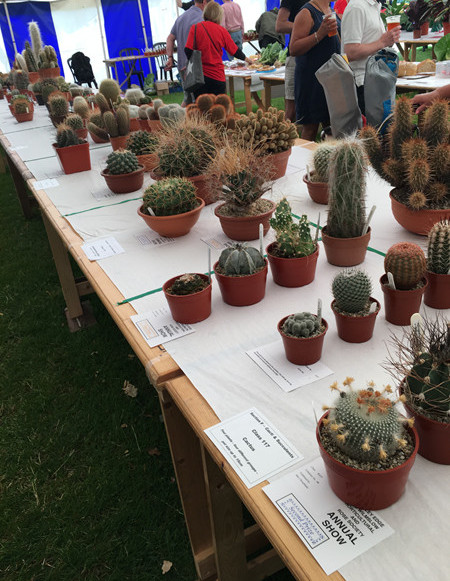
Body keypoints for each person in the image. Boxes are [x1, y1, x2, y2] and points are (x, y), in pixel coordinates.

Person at [290, 0, 340, 140]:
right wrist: (319, 33)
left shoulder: (329, 9)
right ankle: (302, 161)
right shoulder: (306, 13)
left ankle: (328, 161)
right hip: (311, 81)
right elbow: (293, 48)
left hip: (330, 79)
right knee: (310, 129)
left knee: (332, 129)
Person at [341, 0, 401, 115]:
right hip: (362, 84)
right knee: (368, 130)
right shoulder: (357, 7)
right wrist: (382, 42)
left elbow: (374, 43)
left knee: (380, 129)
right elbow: (350, 52)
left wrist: (389, 40)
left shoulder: (374, 5)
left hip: (375, 80)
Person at [184, 1, 251, 99]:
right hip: (217, 76)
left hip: (200, 77)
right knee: (219, 108)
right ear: (219, 15)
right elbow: (235, 51)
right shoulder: (222, 31)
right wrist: (247, 59)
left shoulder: (195, 28)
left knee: (202, 109)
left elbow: (188, 50)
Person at [166, 0, 211, 106]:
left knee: (188, 98)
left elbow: (170, 39)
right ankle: (185, 120)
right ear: (205, 2)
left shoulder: (180, 18)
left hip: (183, 65)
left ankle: (180, 120)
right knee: (199, 100)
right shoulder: (202, 19)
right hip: (197, 66)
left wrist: (170, 57)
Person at [276, 0, 309, 122]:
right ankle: (285, 138)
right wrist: (305, 25)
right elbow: (280, 25)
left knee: (318, 106)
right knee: (292, 110)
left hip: (315, 56)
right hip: (296, 57)